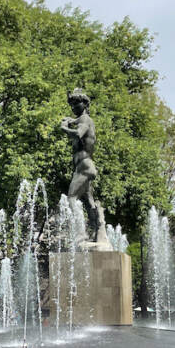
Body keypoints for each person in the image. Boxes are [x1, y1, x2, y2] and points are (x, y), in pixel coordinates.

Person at [59, 88, 102, 240]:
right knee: (88, 201)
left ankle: (80, 232)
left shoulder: (85, 120)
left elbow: (78, 133)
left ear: (85, 104)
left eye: (76, 104)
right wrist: (70, 120)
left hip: (84, 167)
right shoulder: (84, 120)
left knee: (71, 198)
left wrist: (64, 128)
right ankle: (99, 231)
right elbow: (76, 121)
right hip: (85, 167)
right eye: (71, 105)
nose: (73, 107)